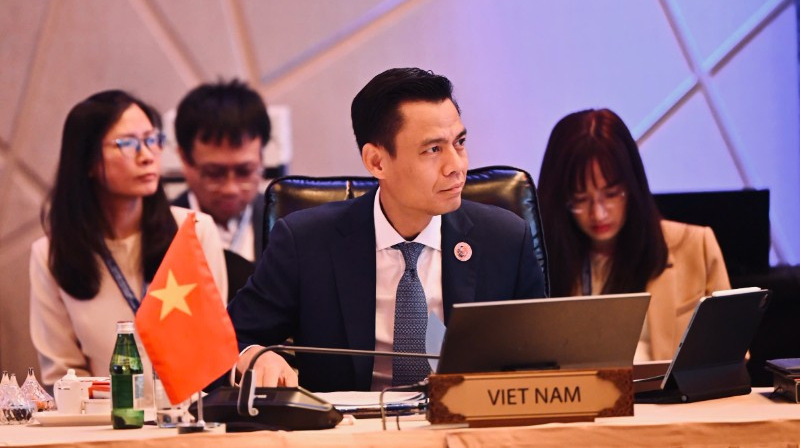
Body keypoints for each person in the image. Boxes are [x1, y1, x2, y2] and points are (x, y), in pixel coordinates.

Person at [228, 67, 546, 392]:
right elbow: (227, 342)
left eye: (459, 142)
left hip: (466, 420)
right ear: (376, 162)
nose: (457, 166)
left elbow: (543, 360)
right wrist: (253, 356)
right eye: (433, 149)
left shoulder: (504, 239)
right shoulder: (306, 242)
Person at [29, 90, 228, 393]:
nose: (147, 155)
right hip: (103, 416)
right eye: (127, 144)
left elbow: (214, 348)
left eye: (152, 140)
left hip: (190, 411)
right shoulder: (49, 254)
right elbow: (64, 375)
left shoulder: (195, 231)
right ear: (87, 161)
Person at [537, 108, 730, 361]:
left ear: (633, 185)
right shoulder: (539, 265)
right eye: (581, 200)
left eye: (611, 194)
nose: (599, 214)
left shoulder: (696, 246)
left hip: (671, 389)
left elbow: (730, 358)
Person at [173, 80, 270, 290]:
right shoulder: (160, 228)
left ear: (262, 158)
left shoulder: (287, 226)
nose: (230, 189)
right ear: (184, 159)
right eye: (214, 173)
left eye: (244, 171)